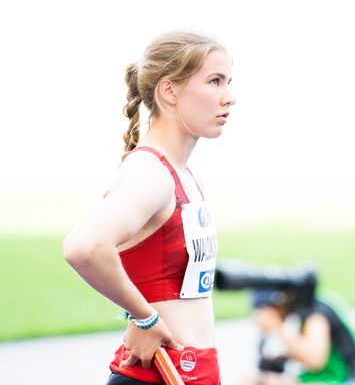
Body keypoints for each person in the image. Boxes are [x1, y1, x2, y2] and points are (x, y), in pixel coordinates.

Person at [63, 29, 236, 385]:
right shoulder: (151, 173)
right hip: (156, 375)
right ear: (169, 91)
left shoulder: (183, 174)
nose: (229, 97)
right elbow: (84, 247)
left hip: (192, 372)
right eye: (215, 82)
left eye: (228, 82)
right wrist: (145, 318)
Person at [215, 262, 355, 385]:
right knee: (251, 380)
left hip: (353, 379)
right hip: (327, 378)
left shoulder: (316, 312)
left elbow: (315, 359)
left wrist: (277, 328)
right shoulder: (305, 311)